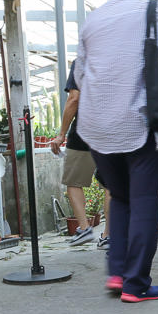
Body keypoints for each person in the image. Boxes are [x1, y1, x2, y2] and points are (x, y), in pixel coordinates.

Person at [74, 0, 158, 302]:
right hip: (137, 124)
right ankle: (136, 285)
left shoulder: (92, 19)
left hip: (95, 126)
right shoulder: (155, 9)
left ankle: (118, 274)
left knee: (119, 197)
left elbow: (78, 77)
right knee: (144, 201)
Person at [50, 62, 111, 248]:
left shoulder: (82, 63)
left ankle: (84, 228)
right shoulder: (115, 62)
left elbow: (74, 99)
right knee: (111, 186)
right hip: (111, 130)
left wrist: (61, 134)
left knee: (74, 182)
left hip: (85, 130)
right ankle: (109, 236)